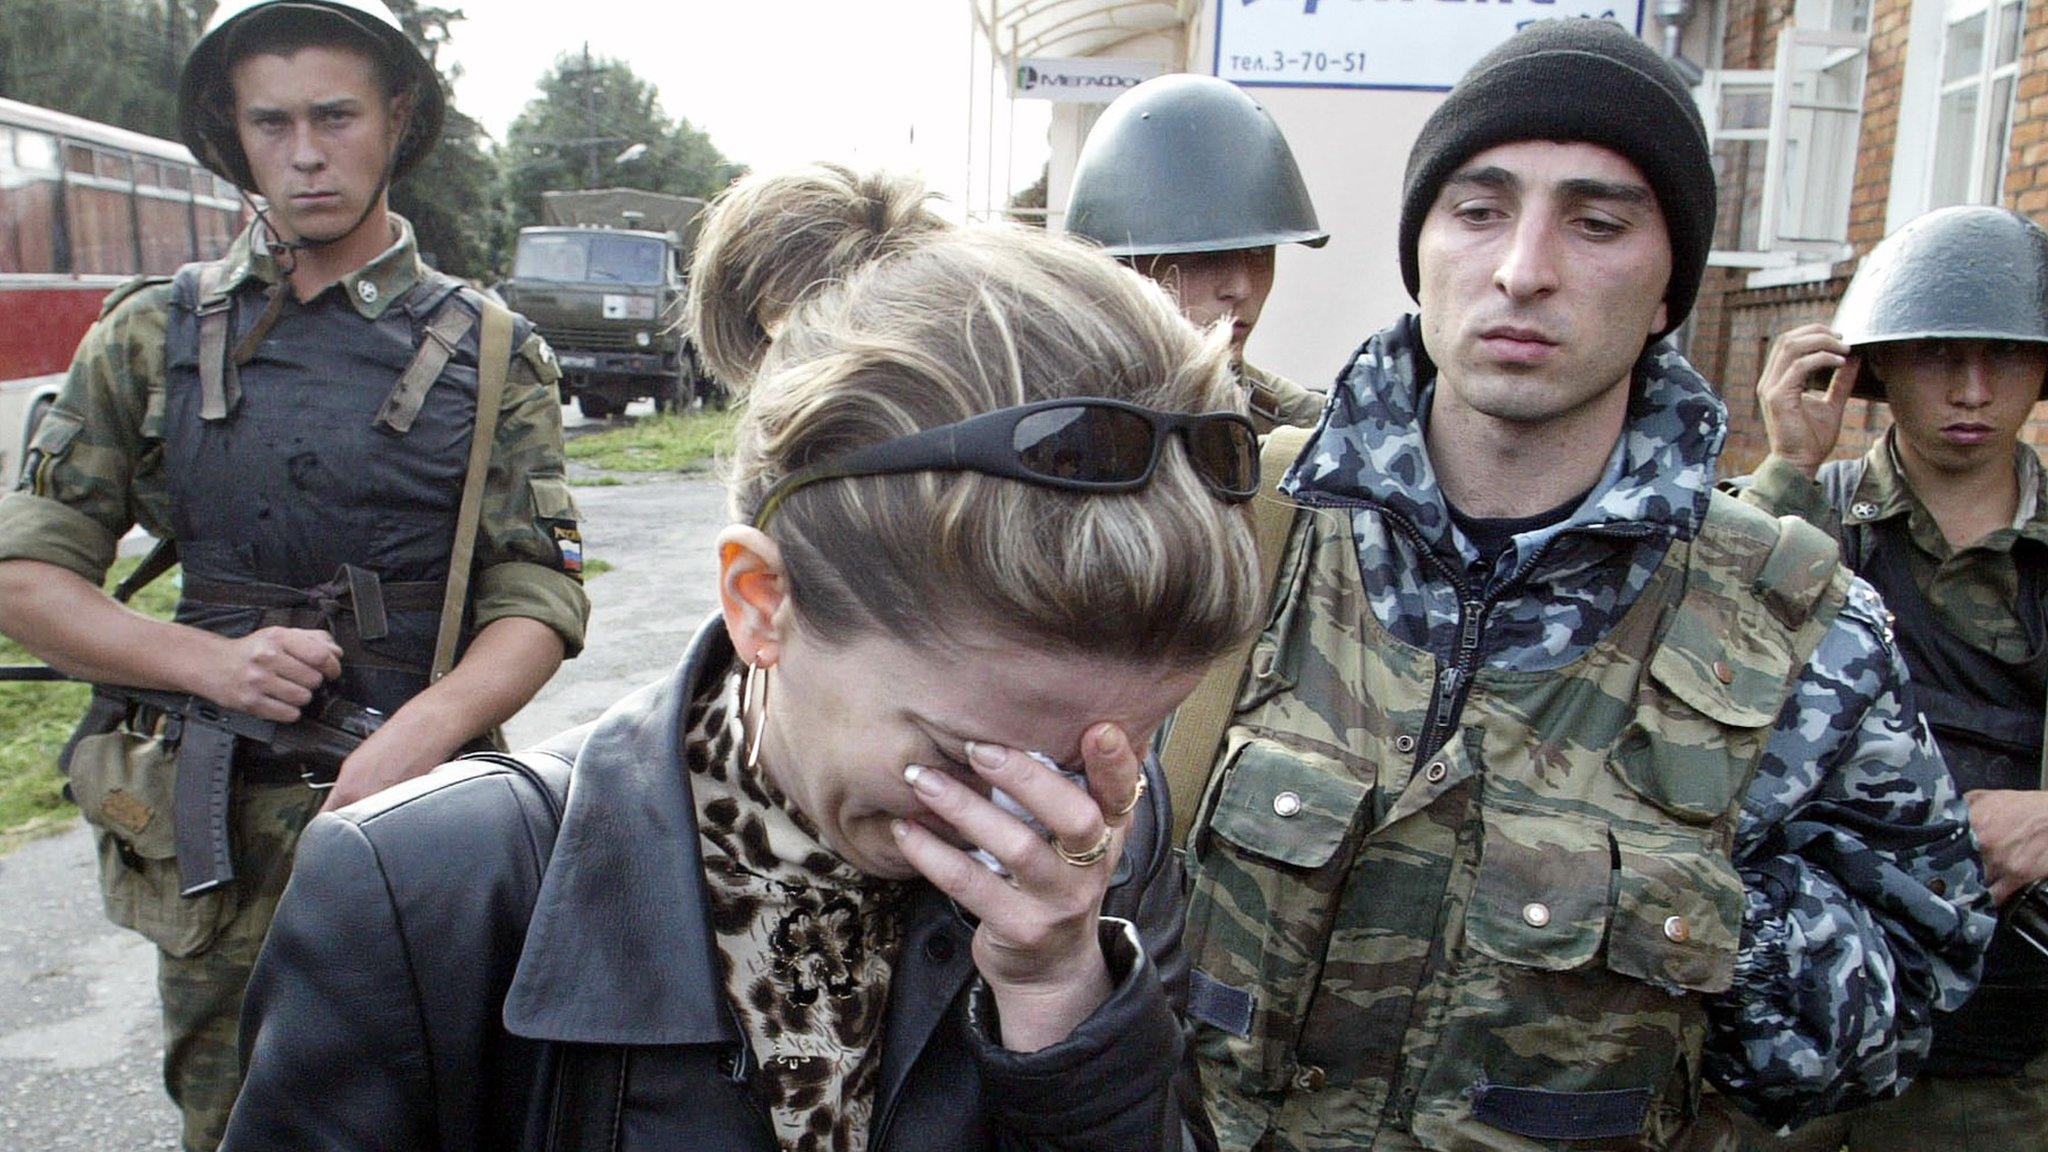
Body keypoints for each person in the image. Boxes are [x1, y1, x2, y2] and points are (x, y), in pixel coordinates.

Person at [219, 165, 1264, 1151]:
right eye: (974, 756)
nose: (1045, 816)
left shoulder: (1108, 838)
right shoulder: (429, 894)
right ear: (762, 603)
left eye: (1108, 753)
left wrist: (1063, 999)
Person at [1173, 20, 1994, 1152]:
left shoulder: (1799, 628)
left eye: (1596, 222)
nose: (1521, 268)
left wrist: (1696, 918)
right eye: (1476, 209)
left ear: (1668, 289)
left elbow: (1901, 1006)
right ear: (1421, 249)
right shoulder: (1224, 535)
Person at [0, 2, 587, 1148]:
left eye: (335, 116)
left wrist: (413, 742)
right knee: (238, 1127)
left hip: (429, 825)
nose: (305, 153)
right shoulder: (147, 337)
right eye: (271, 123)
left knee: (461, 1116)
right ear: (232, 132)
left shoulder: (497, 350)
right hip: (219, 842)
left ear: (396, 119)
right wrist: (211, 663)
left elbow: (538, 597)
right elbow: (28, 578)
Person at [1733, 204, 2048, 1151]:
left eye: (2005, 355)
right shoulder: (1797, 523)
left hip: (2000, 1057)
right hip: (1796, 1024)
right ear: (1876, 365)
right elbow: (1674, 678)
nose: (1973, 388)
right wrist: (1786, 465)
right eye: (1938, 353)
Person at [1064, 73, 1328, 434]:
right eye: (1206, 256)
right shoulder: (1048, 418)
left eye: (1259, 251)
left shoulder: (1304, 429)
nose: (1241, 287)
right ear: (1119, 268)